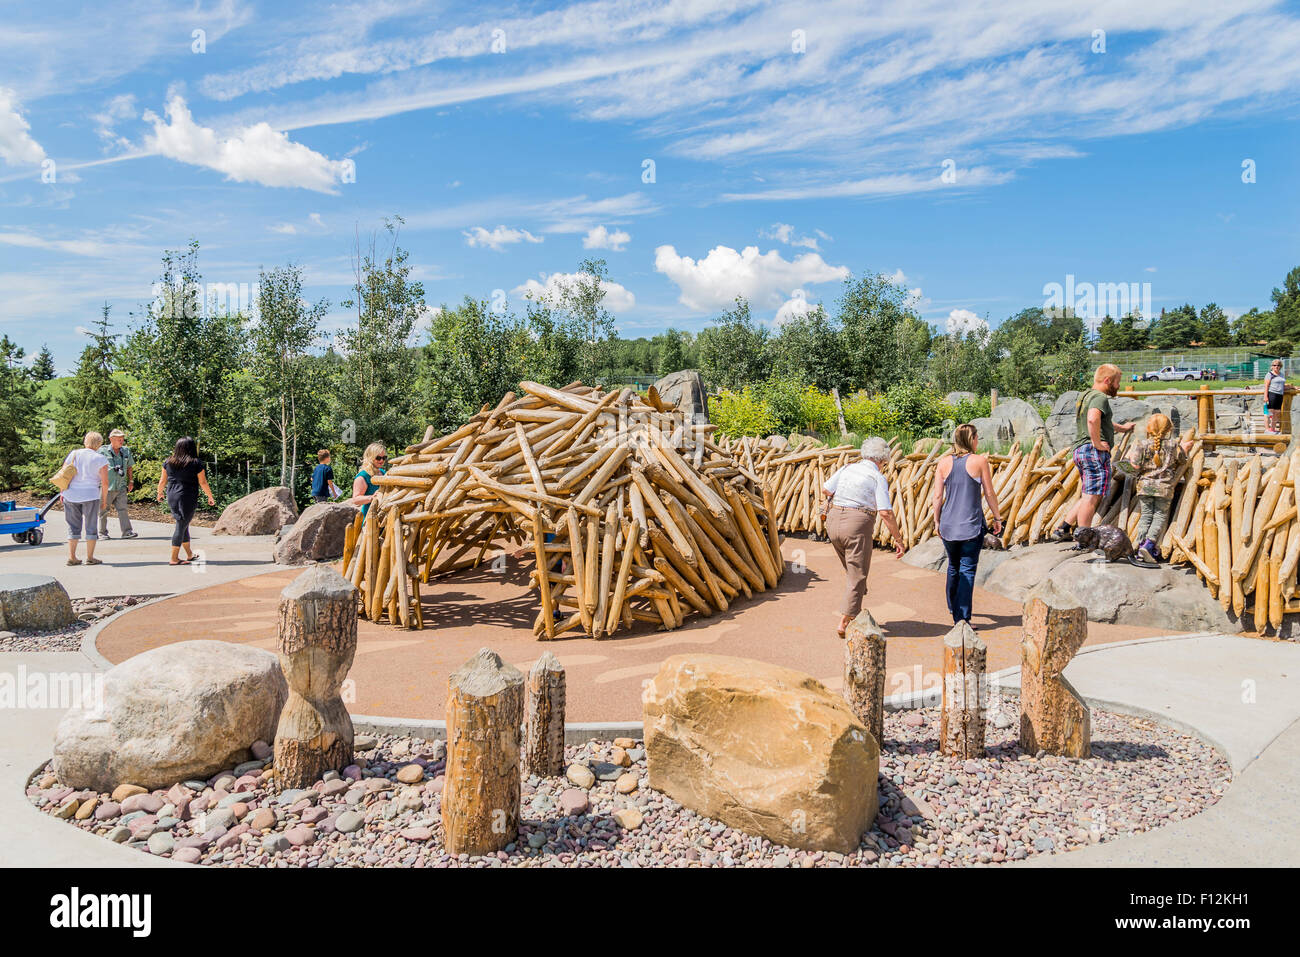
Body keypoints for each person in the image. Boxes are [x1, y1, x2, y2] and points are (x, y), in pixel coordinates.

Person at [820, 436, 905, 638]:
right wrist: (898, 539)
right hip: (857, 524)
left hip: (833, 523)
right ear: (883, 460)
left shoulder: (847, 468)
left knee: (853, 572)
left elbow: (826, 489)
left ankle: (854, 606)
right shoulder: (877, 477)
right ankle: (845, 620)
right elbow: (885, 512)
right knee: (857, 574)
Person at [1051, 363, 1135, 540]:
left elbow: (1101, 420)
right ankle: (1083, 538)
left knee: (1089, 493)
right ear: (1107, 380)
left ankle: (1064, 528)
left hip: (1081, 450)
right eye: (1117, 382)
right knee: (1092, 497)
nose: (1118, 386)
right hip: (1092, 451)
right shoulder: (1100, 397)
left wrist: (1122, 428)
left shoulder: (1085, 396)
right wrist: (1097, 443)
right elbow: (1092, 419)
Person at [932, 424, 1003, 626]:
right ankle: (962, 618)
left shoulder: (943, 463)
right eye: (977, 437)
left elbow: (937, 496)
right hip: (971, 525)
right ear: (971, 439)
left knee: (953, 566)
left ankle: (952, 606)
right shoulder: (980, 461)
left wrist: (937, 520)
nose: (978, 441)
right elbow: (989, 493)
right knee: (967, 569)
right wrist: (997, 518)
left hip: (948, 524)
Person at [1126, 413, 1194, 563]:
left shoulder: (1141, 444)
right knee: (1159, 516)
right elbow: (1182, 460)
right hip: (1164, 488)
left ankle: (1139, 547)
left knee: (1146, 516)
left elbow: (1135, 466)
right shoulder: (1173, 445)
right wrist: (1185, 449)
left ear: (1149, 429)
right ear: (1169, 429)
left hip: (1145, 487)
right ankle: (1149, 544)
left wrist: (1129, 459)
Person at [155, 436, 215, 565]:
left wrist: (159, 493)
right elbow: (203, 482)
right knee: (181, 525)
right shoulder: (195, 463)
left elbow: (162, 481)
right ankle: (174, 558)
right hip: (187, 497)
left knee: (183, 524)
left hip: (172, 495)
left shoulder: (168, 462)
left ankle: (189, 555)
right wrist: (210, 496)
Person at [61, 432, 109, 566]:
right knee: (91, 526)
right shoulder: (100, 458)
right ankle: (90, 557)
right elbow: (105, 483)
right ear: (99, 444)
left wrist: (62, 492)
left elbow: (63, 474)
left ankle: (72, 557)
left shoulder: (74, 454)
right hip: (91, 495)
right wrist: (104, 500)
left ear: (85, 441)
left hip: (71, 494)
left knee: (73, 526)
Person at [98, 428, 137, 539]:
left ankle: (127, 532)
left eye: (122, 439)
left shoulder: (126, 451)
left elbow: (129, 466)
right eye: (119, 439)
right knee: (103, 510)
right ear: (111, 439)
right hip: (107, 486)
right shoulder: (102, 451)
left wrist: (131, 481)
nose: (121, 441)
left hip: (121, 486)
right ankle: (102, 533)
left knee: (123, 509)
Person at [351, 442, 387, 518]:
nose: (381, 460)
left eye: (384, 458)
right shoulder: (363, 476)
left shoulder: (383, 472)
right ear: (370, 457)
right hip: (369, 517)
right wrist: (372, 497)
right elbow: (356, 500)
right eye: (378, 458)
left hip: (383, 516)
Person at [1264, 359, 1286, 433]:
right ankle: (1267, 429)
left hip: (1280, 395)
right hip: (1272, 394)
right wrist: (1265, 396)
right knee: (1269, 412)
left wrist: (1292, 387)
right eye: (1274, 365)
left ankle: (1272, 429)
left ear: (1280, 366)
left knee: (1277, 412)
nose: (1276, 366)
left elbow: (1283, 385)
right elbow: (1266, 386)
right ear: (1272, 366)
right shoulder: (1269, 374)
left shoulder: (1282, 374)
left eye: (1278, 365)